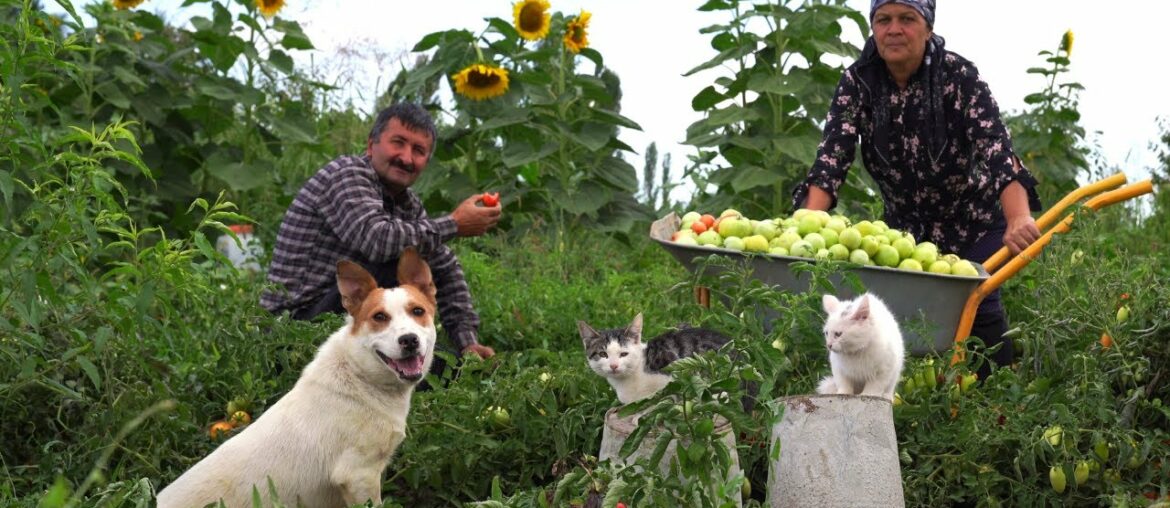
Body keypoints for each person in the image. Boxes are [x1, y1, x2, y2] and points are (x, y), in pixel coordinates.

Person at [792, 0, 1042, 379]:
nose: (894, 29)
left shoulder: (958, 77)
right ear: (872, 27)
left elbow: (996, 149)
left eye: (907, 19)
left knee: (979, 305)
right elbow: (831, 159)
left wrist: (1018, 216)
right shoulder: (858, 82)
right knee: (901, 319)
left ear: (927, 28)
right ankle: (917, 408)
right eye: (884, 19)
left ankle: (998, 405)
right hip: (906, 234)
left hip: (973, 223)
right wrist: (806, 226)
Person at [262, 102, 501, 363]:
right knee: (395, 261)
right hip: (291, 327)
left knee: (450, 365)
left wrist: (467, 341)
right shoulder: (346, 175)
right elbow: (378, 241)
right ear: (371, 145)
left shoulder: (407, 203)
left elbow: (444, 266)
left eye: (418, 151)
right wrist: (455, 224)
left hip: (348, 321)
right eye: (398, 142)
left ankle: (445, 360)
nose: (406, 157)